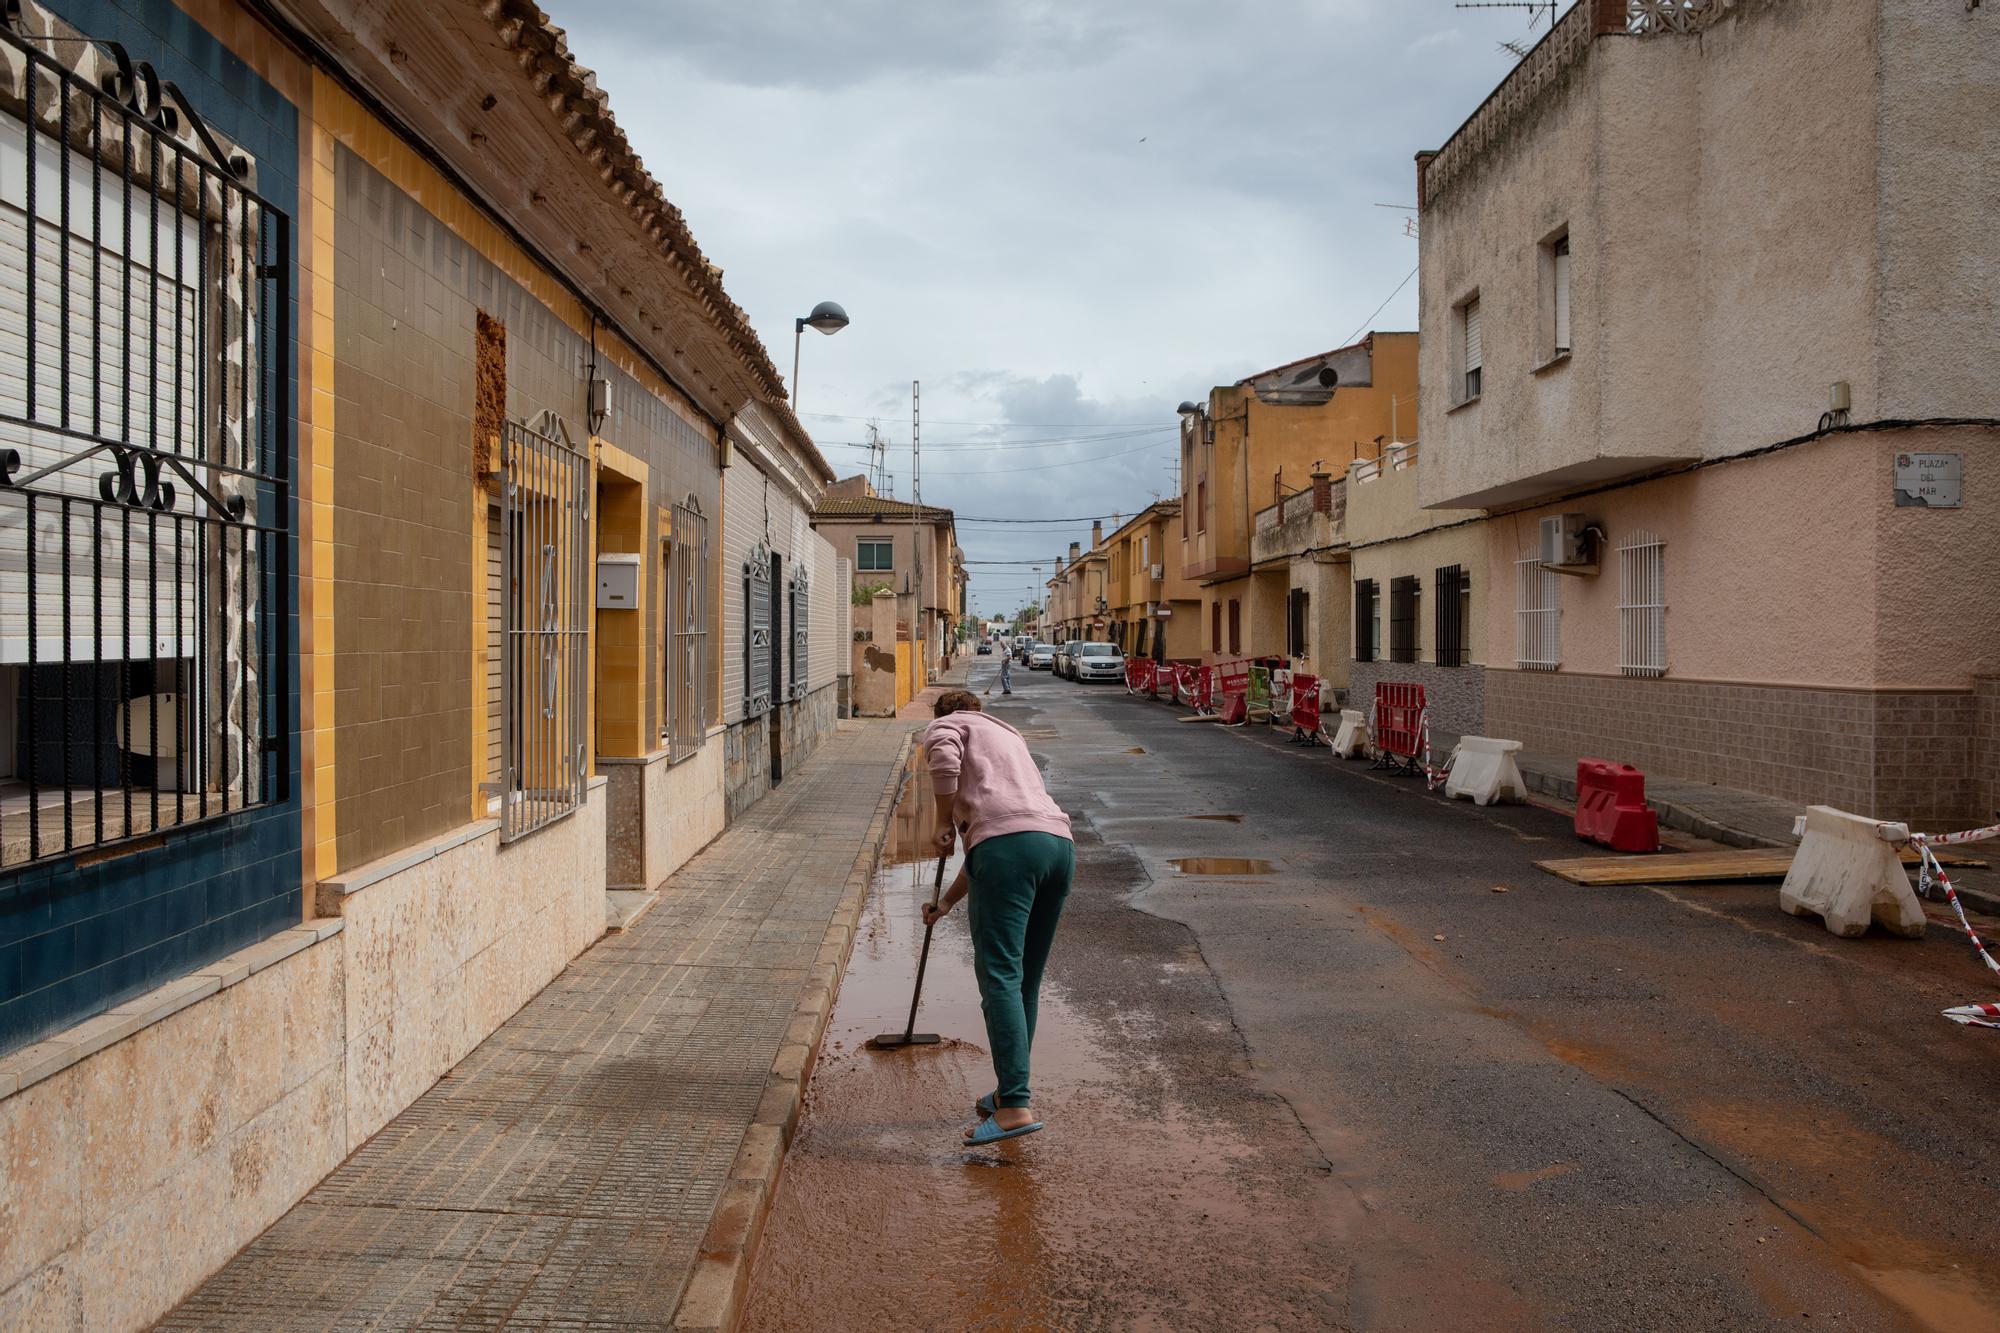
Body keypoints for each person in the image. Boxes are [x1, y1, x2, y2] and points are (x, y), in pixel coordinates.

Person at [921, 689, 1073, 1145]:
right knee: (1024, 979)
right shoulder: (1007, 735)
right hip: (1057, 846)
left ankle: (1015, 1108)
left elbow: (945, 762)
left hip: (1009, 850)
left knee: (1000, 978)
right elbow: (997, 840)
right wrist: (947, 902)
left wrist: (942, 819)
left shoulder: (947, 726)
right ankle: (1011, 1090)